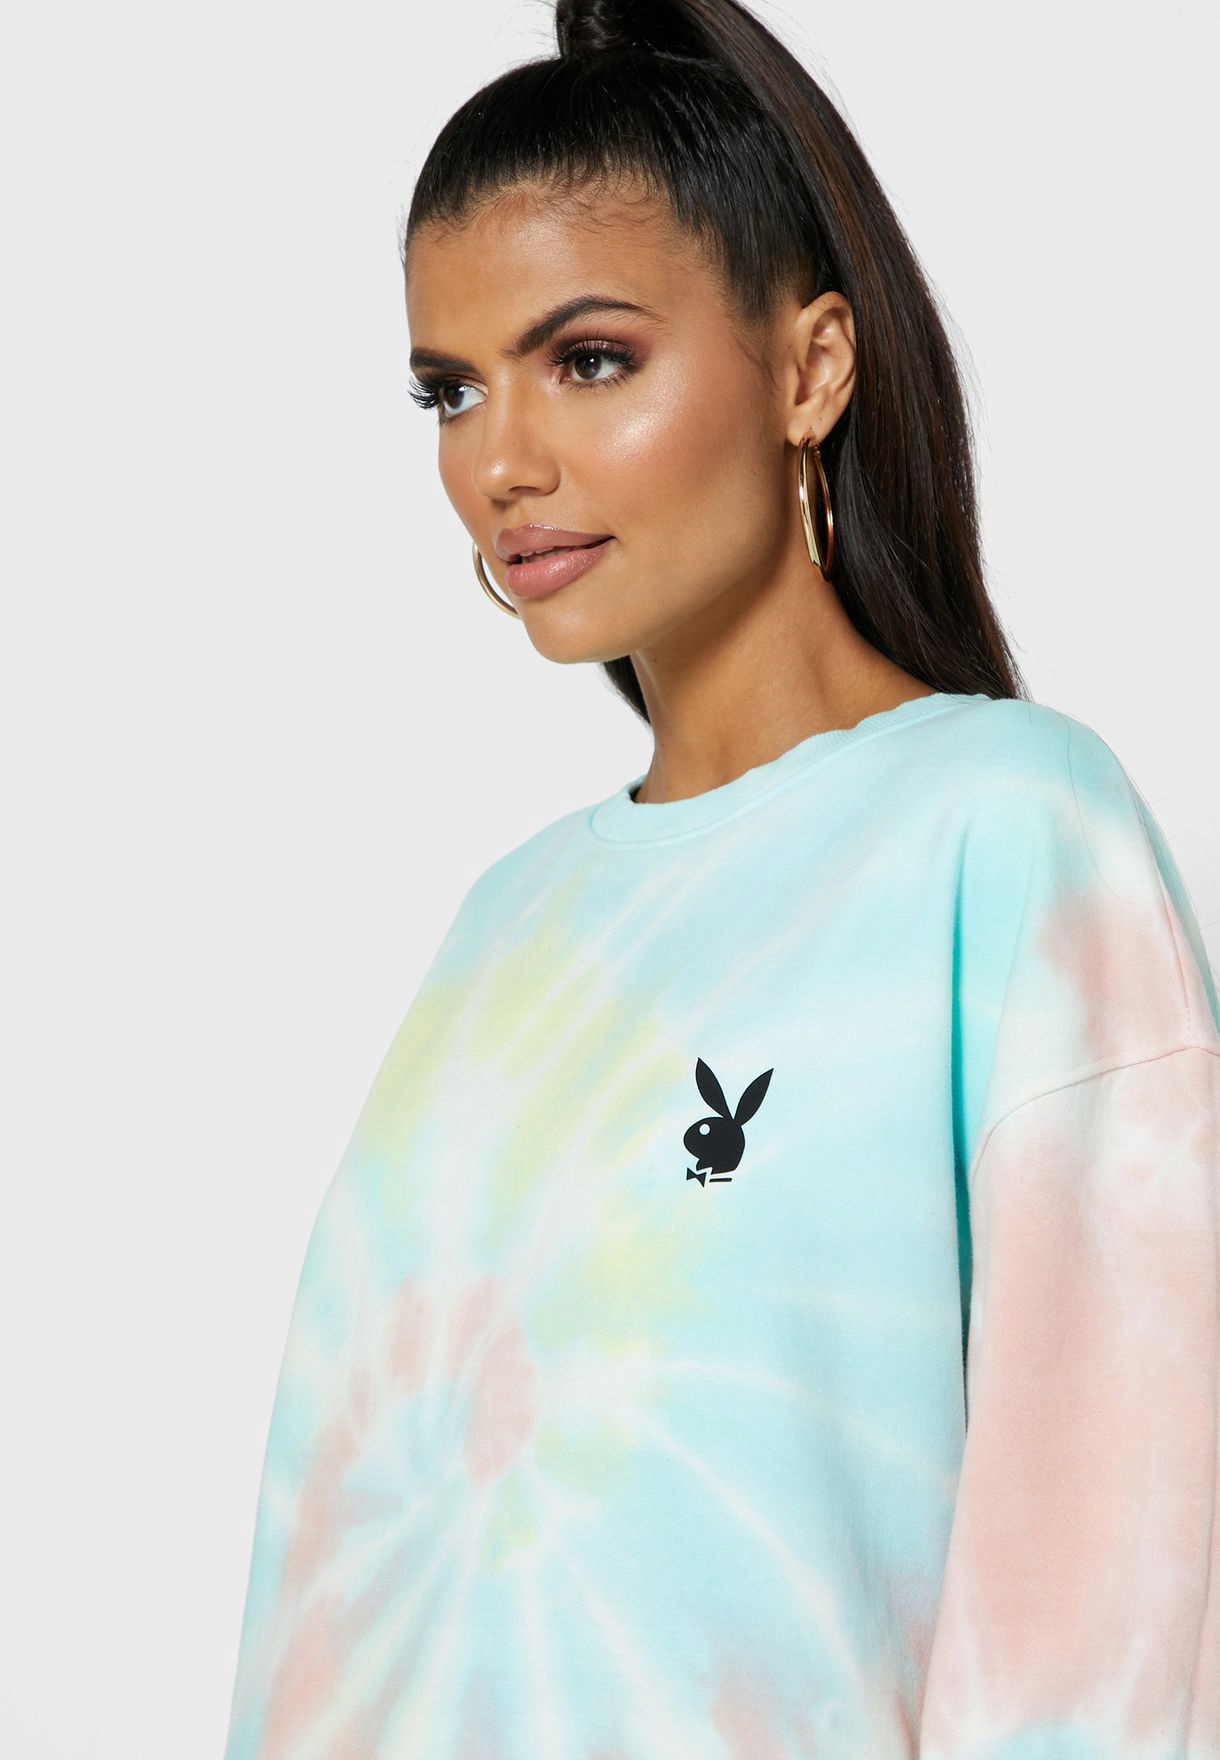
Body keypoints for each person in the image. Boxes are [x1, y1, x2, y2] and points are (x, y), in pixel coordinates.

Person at [219, 0, 1220, 1754]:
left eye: (589, 360)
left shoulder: (1005, 833)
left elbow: (1113, 1579)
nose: (500, 463)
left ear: (811, 368)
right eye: (452, 390)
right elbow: (337, 1570)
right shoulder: (502, 929)